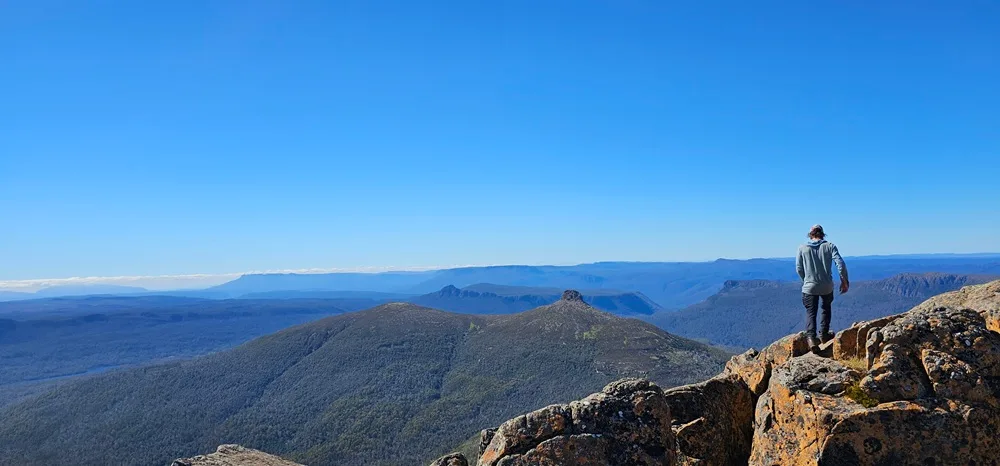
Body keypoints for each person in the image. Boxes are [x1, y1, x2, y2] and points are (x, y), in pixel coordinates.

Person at [796, 224, 849, 353]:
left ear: (810, 234)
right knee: (826, 308)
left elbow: (799, 268)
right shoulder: (830, 246)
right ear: (822, 234)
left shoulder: (802, 248)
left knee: (811, 312)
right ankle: (824, 335)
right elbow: (840, 263)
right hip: (826, 285)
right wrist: (844, 280)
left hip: (809, 286)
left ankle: (811, 339)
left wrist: (806, 281)